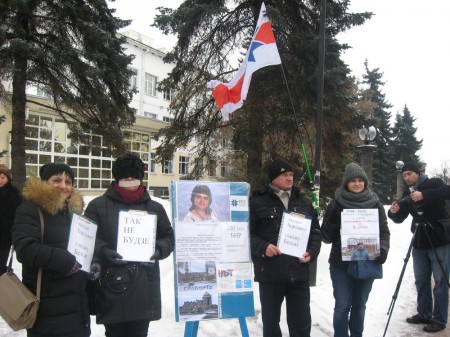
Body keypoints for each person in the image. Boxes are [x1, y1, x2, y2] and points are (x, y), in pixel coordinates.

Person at [84, 153, 174, 337]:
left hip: (144, 284)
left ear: (140, 177)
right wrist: (104, 251)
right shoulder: (97, 206)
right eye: (125, 175)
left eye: (133, 175)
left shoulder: (155, 207)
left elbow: (168, 237)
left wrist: (158, 249)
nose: (129, 179)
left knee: (139, 333)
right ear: (117, 178)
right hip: (111, 285)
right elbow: (87, 238)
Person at [12, 162, 90, 337]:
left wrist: (94, 260)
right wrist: (64, 259)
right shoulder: (30, 209)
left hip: (76, 306)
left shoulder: (73, 214)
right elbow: (25, 248)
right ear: (45, 182)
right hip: (47, 308)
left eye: (68, 182)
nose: (63, 186)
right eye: (57, 180)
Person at [250, 157, 321, 337]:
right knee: (271, 325)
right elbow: (245, 234)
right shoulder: (257, 202)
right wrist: (262, 246)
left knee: (301, 324)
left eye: (291, 175)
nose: (289, 178)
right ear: (273, 177)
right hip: (270, 273)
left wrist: (311, 253)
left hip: (299, 273)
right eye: (284, 175)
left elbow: (315, 232)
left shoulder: (303, 201)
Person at [321, 162, 390, 337]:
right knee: (343, 306)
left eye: (360, 180)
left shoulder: (375, 203)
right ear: (346, 183)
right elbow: (326, 237)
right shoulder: (336, 203)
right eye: (353, 181)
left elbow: (384, 232)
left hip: (367, 262)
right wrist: (336, 218)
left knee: (360, 306)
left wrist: (382, 249)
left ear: (365, 182)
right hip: (340, 264)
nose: (357, 183)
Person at [388, 162, 450, 333]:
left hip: (439, 240)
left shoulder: (433, 183)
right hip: (419, 241)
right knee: (421, 280)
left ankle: (439, 319)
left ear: (417, 173)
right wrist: (393, 212)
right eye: (404, 175)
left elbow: (447, 192)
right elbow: (400, 216)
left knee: (440, 281)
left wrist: (423, 195)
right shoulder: (408, 193)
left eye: (409, 174)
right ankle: (424, 313)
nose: (407, 177)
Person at [0, 164, 22, 275]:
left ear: (8, 178)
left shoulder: (14, 194)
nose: (0, 180)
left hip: (5, 236)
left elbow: (18, 215)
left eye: (2, 177)